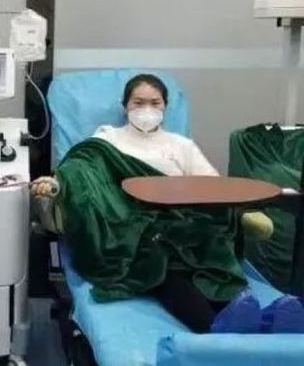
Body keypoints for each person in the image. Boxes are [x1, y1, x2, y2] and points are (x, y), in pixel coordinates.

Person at [32, 73, 299, 334]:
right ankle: (211, 325)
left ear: (165, 107)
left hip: (183, 221)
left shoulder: (181, 146)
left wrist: (241, 214)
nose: (146, 109)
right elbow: (79, 176)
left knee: (208, 244)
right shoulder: (105, 141)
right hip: (128, 226)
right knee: (162, 253)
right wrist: (54, 185)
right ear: (125, 106)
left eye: (154, 103)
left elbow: (213, 187)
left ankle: (254, 318)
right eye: (138, 103)